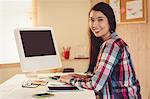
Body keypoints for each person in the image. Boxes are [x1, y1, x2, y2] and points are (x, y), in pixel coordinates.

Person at [59, 2, 141, 99]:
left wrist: (70, 81)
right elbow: (102, 78)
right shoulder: (113, 42)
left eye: (100, 20)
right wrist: (80, 77)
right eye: (92, 20)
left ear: (110, 21)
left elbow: (96, 85)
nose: (94, 24)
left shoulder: (112, 45)